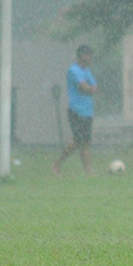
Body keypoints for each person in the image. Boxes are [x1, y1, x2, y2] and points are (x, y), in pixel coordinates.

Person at [53, 45, 100, 176]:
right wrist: (89, 89)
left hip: (87, 111)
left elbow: (95, 87)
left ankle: (88, 171)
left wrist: (90, 89)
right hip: (76, 111)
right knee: (78, 141)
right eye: (88, 55)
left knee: (85, 142)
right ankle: (57, 163)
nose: (90, 58)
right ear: (82, 56)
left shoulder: (87, 71)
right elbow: (84, 87)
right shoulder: (73, 71)